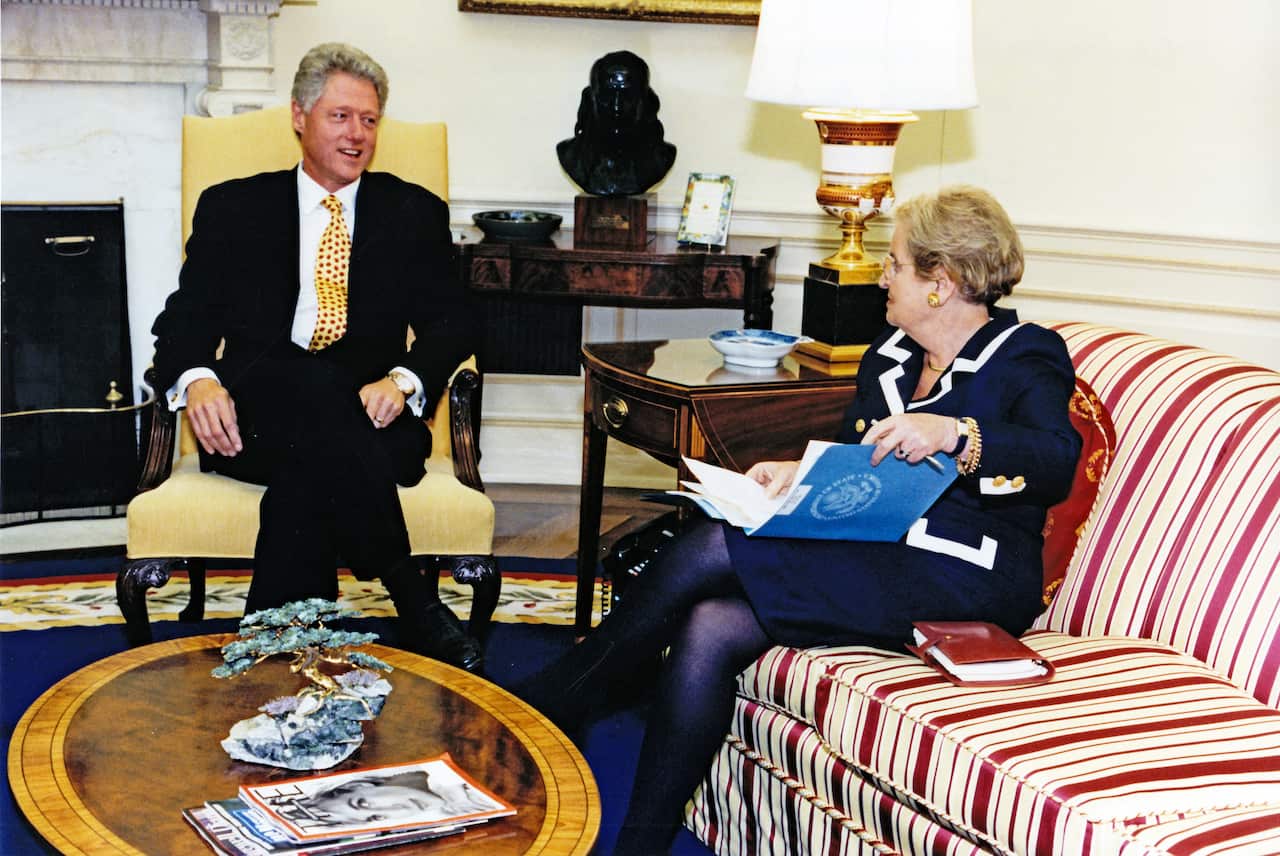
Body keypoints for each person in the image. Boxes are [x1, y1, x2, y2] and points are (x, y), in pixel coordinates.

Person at [514, 186, 1082, 853]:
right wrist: (797, 473)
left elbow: (1053, 462)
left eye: (895, 263)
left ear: (942, 281)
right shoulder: (890, 356)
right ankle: (639, 842)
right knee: (709, 625)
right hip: (876, 553)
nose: (880, 276)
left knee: (708, 550)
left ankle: (558, 701)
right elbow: (863, 464)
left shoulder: (1025, 354)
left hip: (967, 576)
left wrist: (957, 433)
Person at [149, 43, 482, 672]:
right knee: (308, 382)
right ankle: (413, 598)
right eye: (340, 116)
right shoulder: (235, 207)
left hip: (374, 420)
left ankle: (278, 646)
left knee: (306, 477)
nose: (357, 135)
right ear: (299, 116)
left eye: (370, 120)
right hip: (254, 422)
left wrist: (403, 378)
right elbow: (184, 321)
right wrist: (196, 382)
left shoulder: (412, 212)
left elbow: (455, 322)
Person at [555, 50, 677, 197]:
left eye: (628, 97)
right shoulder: (570, 155)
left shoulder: (661, 157)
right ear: (591, 97)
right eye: (607, 96)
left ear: (645, 100)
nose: (617, 106)